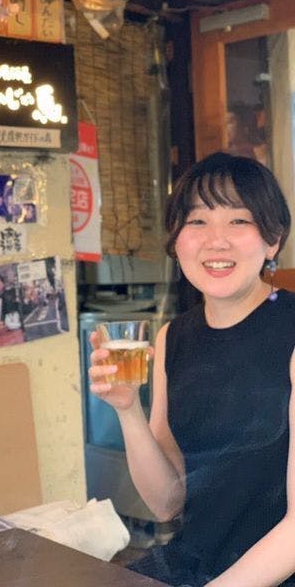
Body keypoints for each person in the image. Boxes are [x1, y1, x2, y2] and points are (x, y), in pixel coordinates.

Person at [89, 152, 295, 586]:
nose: (216, 241)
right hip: (193, 561)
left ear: (272, 240)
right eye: (197, 221)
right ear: (176, 239)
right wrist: (127, 410)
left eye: (239, 221)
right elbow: (167, 502)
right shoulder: (173, 337)